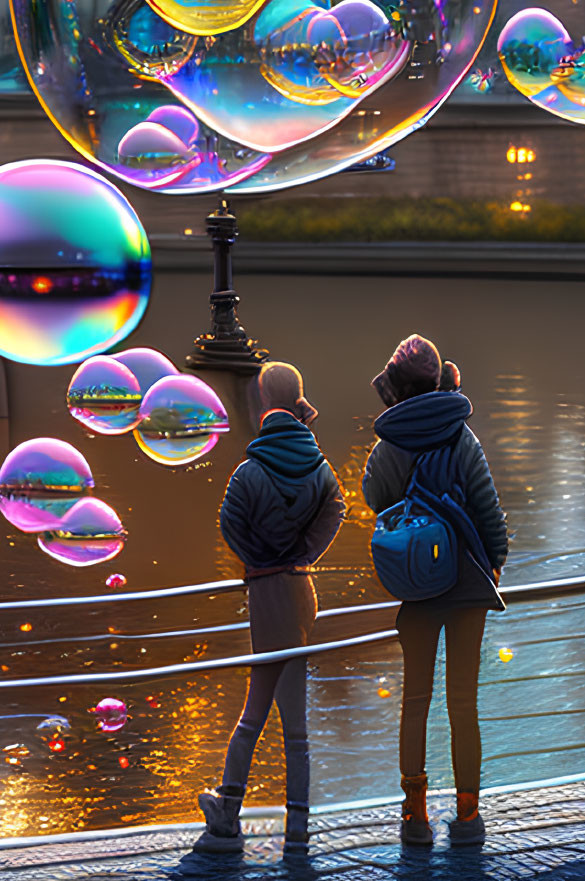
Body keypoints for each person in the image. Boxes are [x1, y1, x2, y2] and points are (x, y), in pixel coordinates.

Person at [361, 335, 507, 848]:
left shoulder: (388, 443)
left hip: (416, 589)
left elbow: (375, 500)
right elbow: (487, 508)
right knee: (463, 702)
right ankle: (468, 817)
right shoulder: (462, 437)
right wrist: (496, 561)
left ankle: (415, 817)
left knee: (415, 701)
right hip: (466, 582)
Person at [196, 362, 345, 855]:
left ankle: (242, 818)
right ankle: (274, 819)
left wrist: (262, 559)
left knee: (269, 713)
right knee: (277, 714)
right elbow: (335, 513)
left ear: (264, 405)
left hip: (265, 594)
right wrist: (302, 557)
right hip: (302, 592)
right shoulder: (321, 469)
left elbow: (227, 524)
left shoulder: (248, 472)